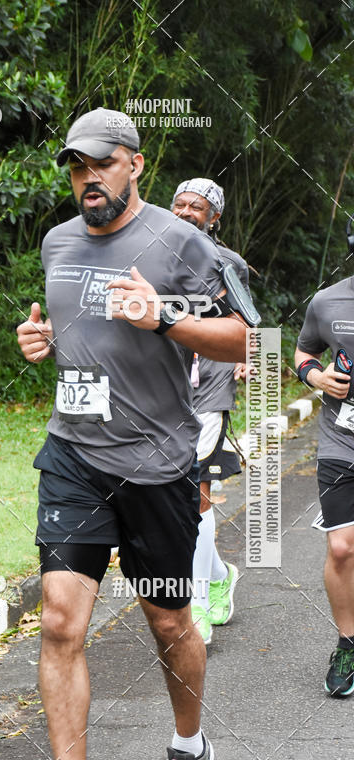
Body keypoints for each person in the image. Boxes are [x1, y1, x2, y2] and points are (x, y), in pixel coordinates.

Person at [17, 107, 248, 760]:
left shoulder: (182, 241)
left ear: (134, 164)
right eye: (77, 168)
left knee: (168, 622)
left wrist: (166, 319)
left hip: (155, 464)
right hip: (74, 454)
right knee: (58, 620)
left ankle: (189, 744)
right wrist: (41, 343)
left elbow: (241, 336)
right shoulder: (56, 242)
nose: (87, 179)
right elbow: (72, 335)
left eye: (101, 164)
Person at [170, 179, 253, 643]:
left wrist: (244, 357)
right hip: (162, 388)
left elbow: (249, 321)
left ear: (213, 217)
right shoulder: (151, 252)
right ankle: (220, 573)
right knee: (171, 495)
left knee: (193, 491)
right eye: (179, 203)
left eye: (196, 207)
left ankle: (196, 602)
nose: (184, 211)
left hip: (210, 386)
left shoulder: (228, 263)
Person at [295, 256, 354, 697]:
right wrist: (317, 377)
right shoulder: (328, 300)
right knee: (340, 548)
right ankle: (348, 644)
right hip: (342, 441)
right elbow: (303, 352)